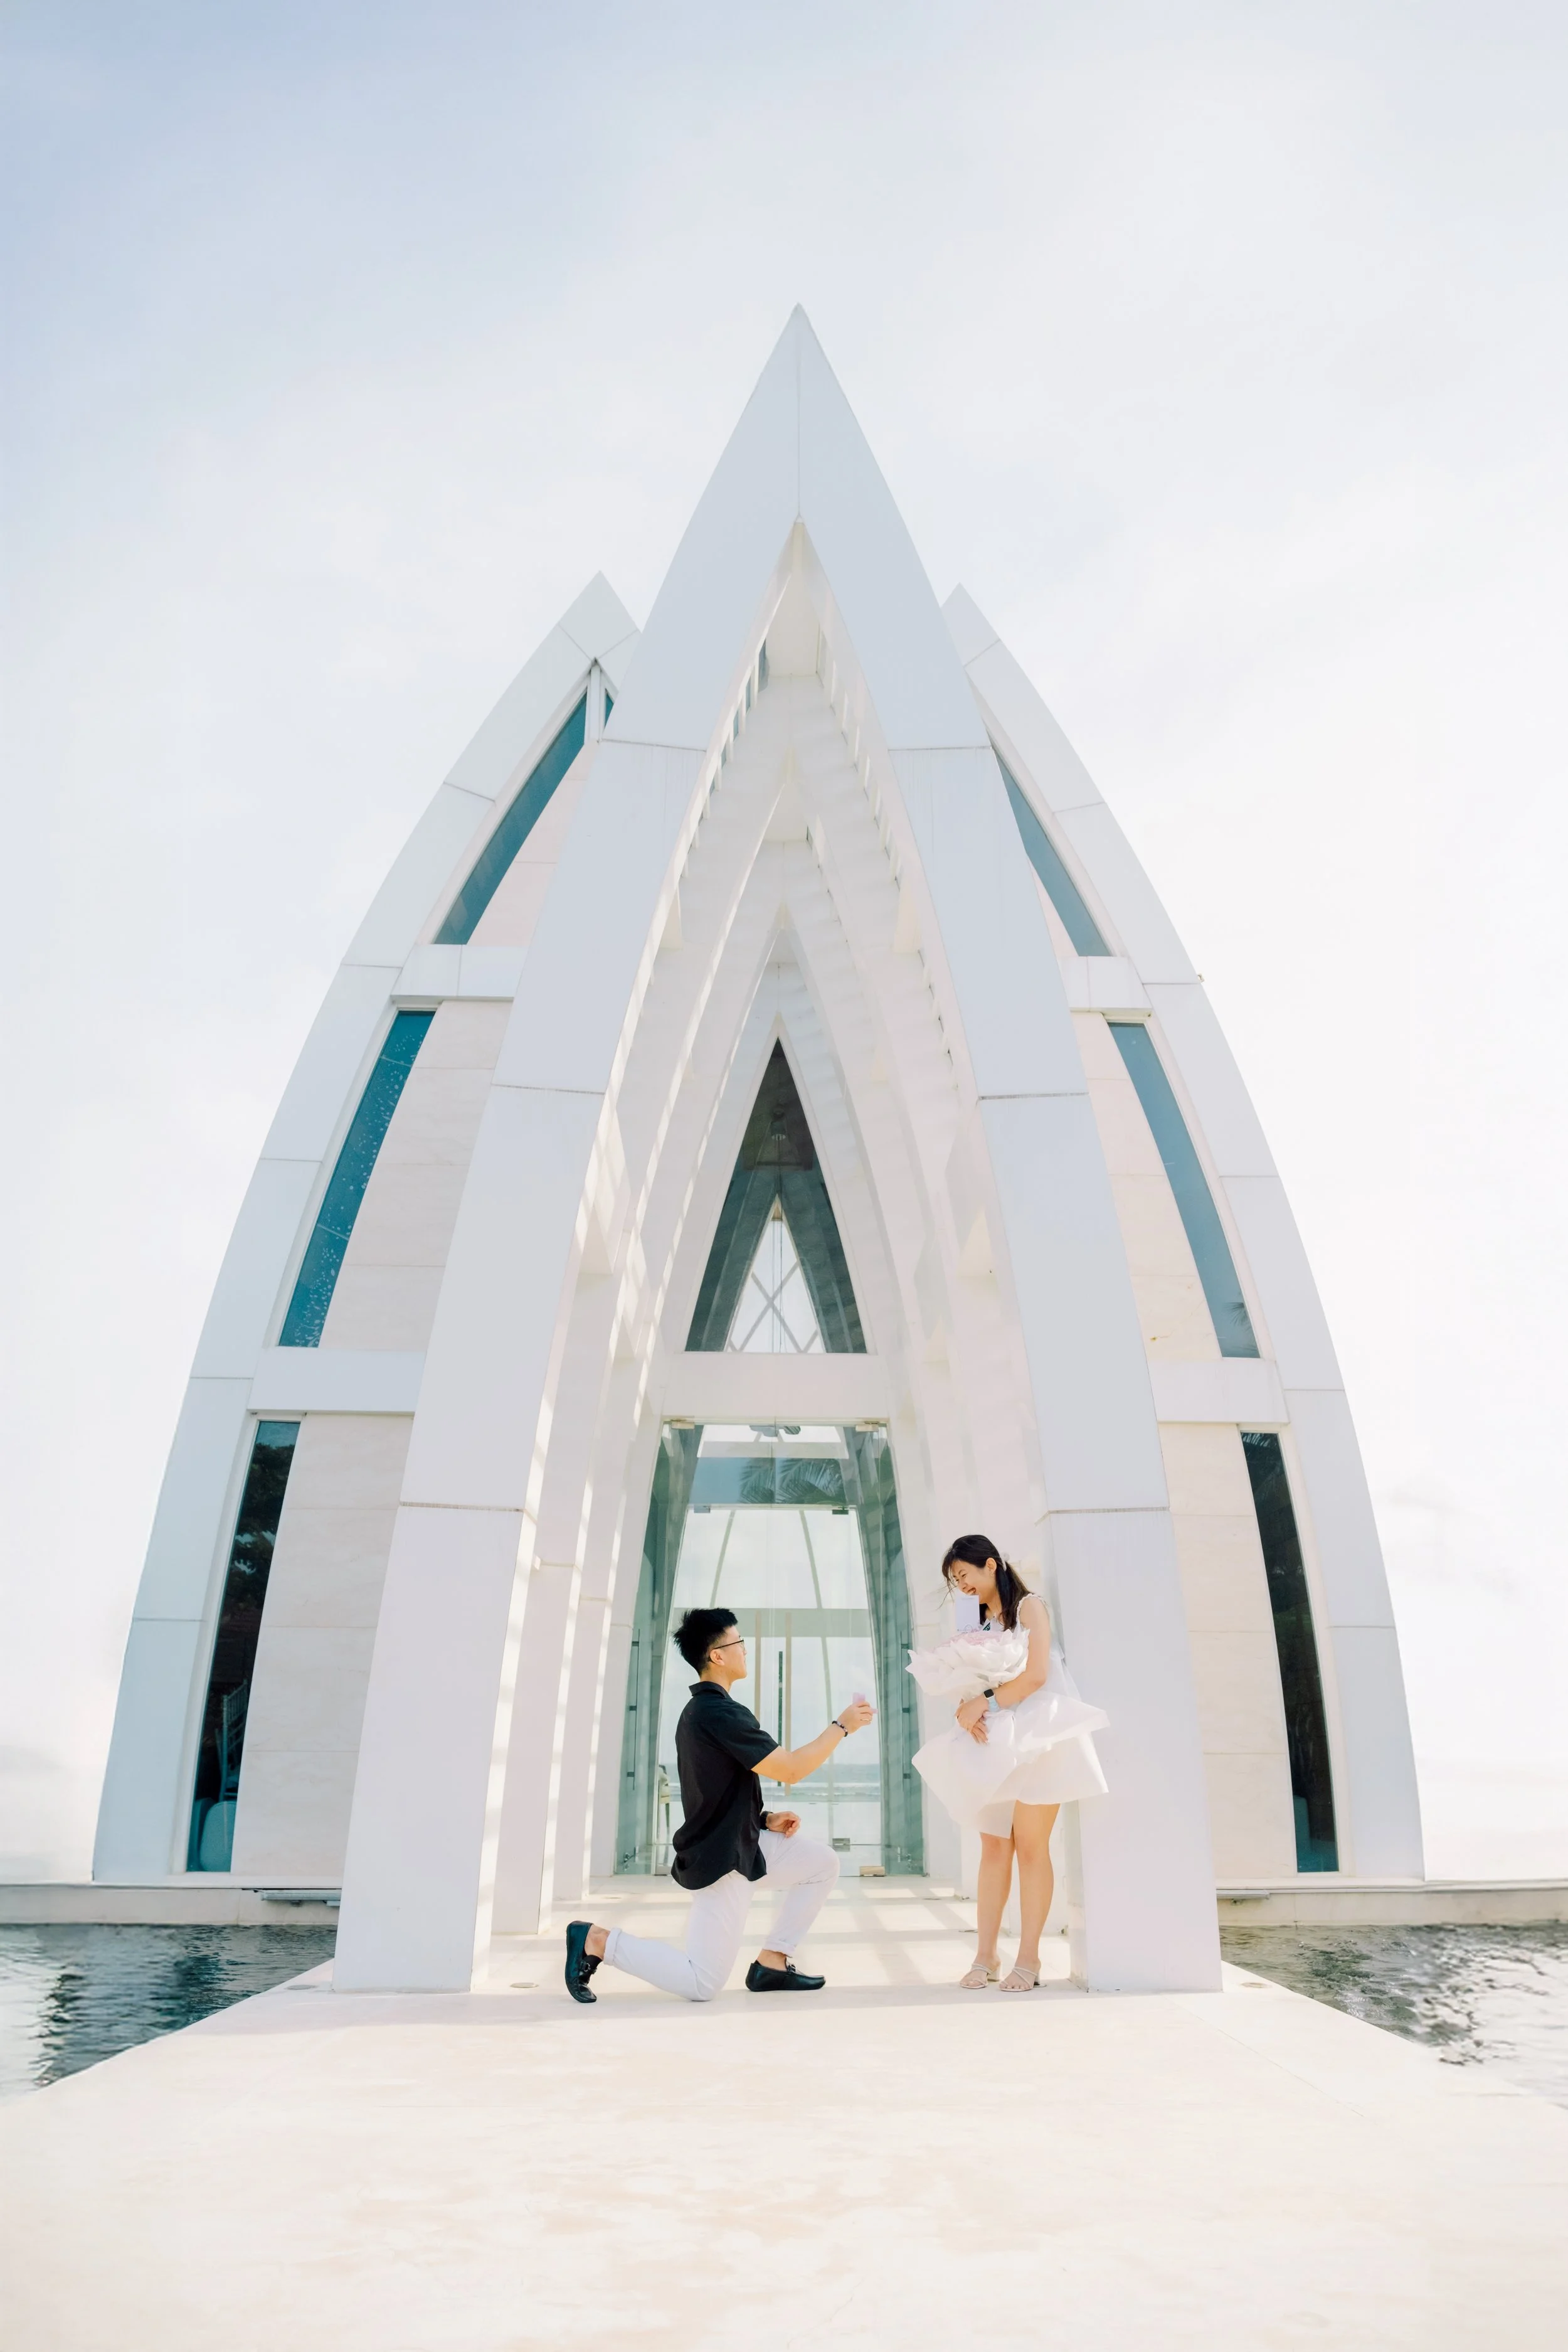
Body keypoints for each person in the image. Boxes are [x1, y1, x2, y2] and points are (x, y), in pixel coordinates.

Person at [564, 1605, 876, 2004]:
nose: (746, 1650)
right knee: (702, 1984)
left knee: (821, 1864)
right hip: (722, 1859)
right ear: (717, 1655)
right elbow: (793, 1770)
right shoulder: (717, 1712)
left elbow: (711, 1791)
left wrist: (765, 1819)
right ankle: (596, 1940)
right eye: (739, 1642)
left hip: (744, 1842)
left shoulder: (704, 1711)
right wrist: (842, 1726)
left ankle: (772, 1963)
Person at [919, 1535, 1107, 1993]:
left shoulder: (1029, 1607)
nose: (961, 1585)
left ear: (990, 1564)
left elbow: (1039, 1673)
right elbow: (970, 1680)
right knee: (993, 1847)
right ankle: (986, 1955)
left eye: (965, 1574)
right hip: (996, 1737)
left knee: (1030, 1844)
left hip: (1040, 1736)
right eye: (954, 1580)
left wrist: (982, 1700)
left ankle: (1030, 1957)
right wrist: (967, 1704)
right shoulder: (976, 1619)